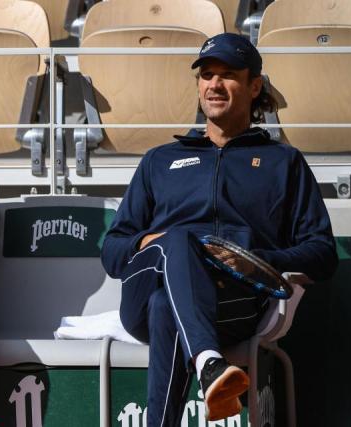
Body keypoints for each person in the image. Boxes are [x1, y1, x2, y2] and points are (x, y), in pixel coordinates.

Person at [100, 33, 338, 426]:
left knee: (168, 307)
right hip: (144, 293)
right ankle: (210, 363)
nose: (213, 85)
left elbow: (323, 254)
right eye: (206, 75)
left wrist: (255, 261)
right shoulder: (160, 160)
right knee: (177, 240)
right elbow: (113, 251)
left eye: (227, 75)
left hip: (233, 303)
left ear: (254, 86)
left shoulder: (284, 162)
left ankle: (192, 383)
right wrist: (153, 242)